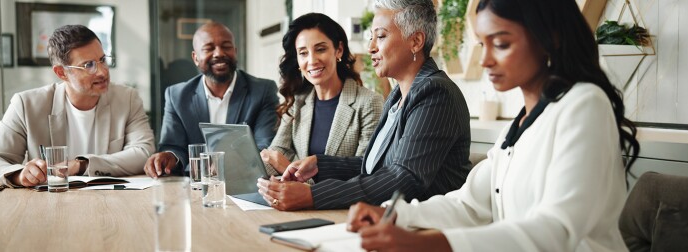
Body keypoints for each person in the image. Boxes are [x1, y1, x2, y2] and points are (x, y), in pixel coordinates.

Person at [345, 0, 642, 251]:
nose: (486, 60)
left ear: (547, 39)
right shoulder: (518, 127)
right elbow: (469, 205)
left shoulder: (585, 105)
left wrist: (426, 244)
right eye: (481, 45)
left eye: (500, 43)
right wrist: (392, 213)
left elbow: (555, 229)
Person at [257, 0, 471, 211]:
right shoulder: (397, 96)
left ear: (415, 41)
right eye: (371, 37)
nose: (370, 48)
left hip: (425, 229)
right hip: (390, 220)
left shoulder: (435, 92)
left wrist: (313, 195)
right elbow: (374, 166)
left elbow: (405, 178)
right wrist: (319, 165)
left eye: (380, 36)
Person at [0, 25, 155, 187]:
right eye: (89, 65)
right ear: (61, 72)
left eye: (102, 60)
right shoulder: (26, 105)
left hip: (110, 202)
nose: (102, 71)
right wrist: (20, 174)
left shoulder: (127, 98)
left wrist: (81, 165)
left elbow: (143, 153)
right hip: (50, 203)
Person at [144, 22, 279, 178]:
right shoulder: (176, 96)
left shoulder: (262, 91)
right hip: (194, 186)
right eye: (209, 48)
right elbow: (173, 146)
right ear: (195, 57)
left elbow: (265, 146)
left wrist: (228, 163)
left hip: (245, 183)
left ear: (235, 51)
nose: (219, 53)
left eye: (226, 46)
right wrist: (168, 156)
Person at [259, 13, 384, 178]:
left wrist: (288, 169)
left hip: (339, 203)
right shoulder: (297, 101)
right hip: (292, 201)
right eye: (303, 53)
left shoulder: (369, 103)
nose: (312, 60)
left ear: (338, 50)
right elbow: (276, 154)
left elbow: (365, 173)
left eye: (320, 49)